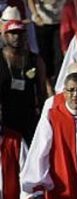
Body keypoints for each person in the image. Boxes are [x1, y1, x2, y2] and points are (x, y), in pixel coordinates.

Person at [1, 8, 51, 142]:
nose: (17, 37)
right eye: (13, 33)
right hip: (4, 122)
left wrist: (43, 119)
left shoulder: (35, 60)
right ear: (5, 35)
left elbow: (42, 93)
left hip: (28, 120)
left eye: (20, 33)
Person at [27, 0, 64, 83]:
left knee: (59, 56)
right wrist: (35, 14)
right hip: (42, 22)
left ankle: (58, 83)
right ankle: (47, 84)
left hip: (60, 22)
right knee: (45, 55)